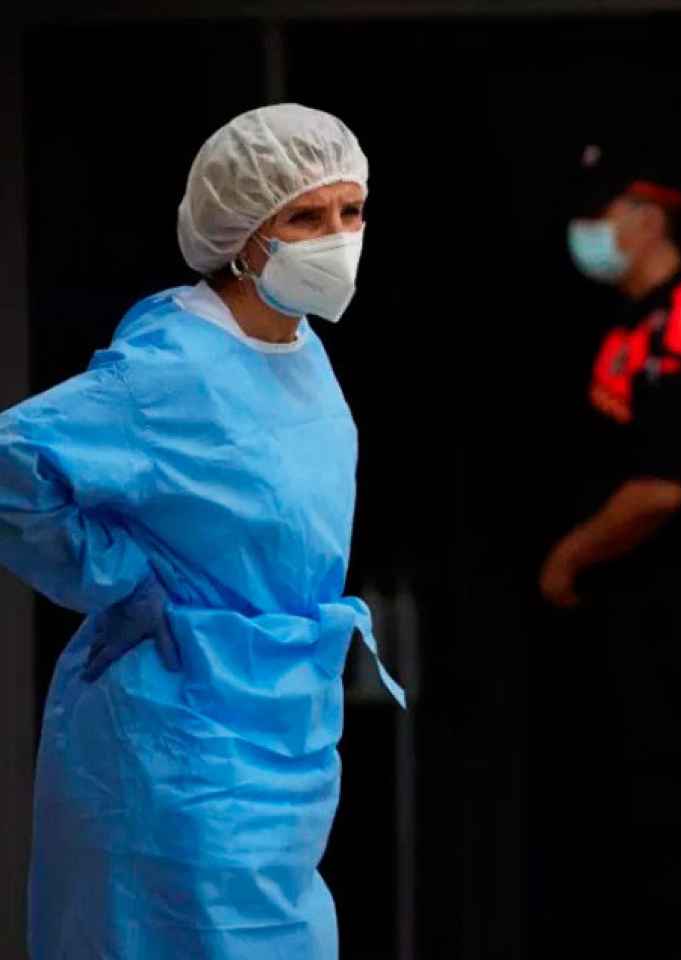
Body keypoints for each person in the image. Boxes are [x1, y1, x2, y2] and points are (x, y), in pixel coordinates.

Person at [0, 104, 403, 958]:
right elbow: (12, 464)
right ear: (243, 233)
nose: (336, 236)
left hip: (285, 728)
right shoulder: (172, 368)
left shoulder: (301, 349)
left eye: (351, 211)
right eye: (304, 217)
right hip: (173, 739)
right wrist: (115, 575)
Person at [536, 148, 681, 936]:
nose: (588, 230)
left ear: (650, 219)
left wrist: (569, 555)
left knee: (674, 825)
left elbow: (662, 486)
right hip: (636, 620)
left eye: (603, 213)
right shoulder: (634, 320)